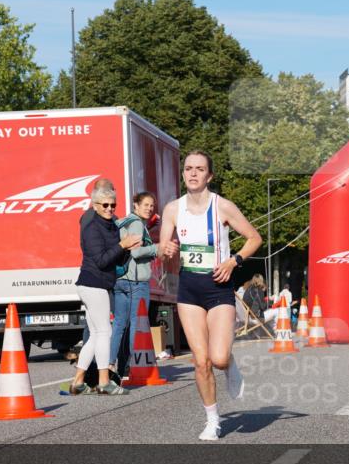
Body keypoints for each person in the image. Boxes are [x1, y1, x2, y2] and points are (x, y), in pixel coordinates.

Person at [159, 151, 262, 441]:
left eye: (199, 169)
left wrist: (234, 262)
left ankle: (228, 362)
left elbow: (254, 237)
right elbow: (162, 249)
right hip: (189, 289)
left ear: (209, 176)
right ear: (183, 174)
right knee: (200, 361)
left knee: (217, 358)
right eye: (188, 168)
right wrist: (165, 250)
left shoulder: (222, 207)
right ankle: (212, 420)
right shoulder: (172, 209)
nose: (193, 173)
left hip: (218, 288)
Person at [70, 184, 142, 395]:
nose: (110, 209)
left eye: (113, 205)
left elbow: (114, 256)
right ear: (95, 205)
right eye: (105, 205)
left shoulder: (109, 224)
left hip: (98, 283)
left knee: (94, 334)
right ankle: (104, 381)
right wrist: (122, 245)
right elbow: (101, 260)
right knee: (105, 332)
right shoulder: (92, 225)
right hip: (94, 283)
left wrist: (127, 248)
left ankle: (77, 382)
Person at [109, 191, 159, 380]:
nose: (149, 208)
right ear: (136, 205)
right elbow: (137, 252)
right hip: (135, 281)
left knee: (119, 324)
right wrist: (157, 248)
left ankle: (110, 364)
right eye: (145, 205)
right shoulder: (137, 223)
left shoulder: (123, 222)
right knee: (137, 325)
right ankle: (132, 366)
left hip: (119, 279)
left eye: (152, 205)